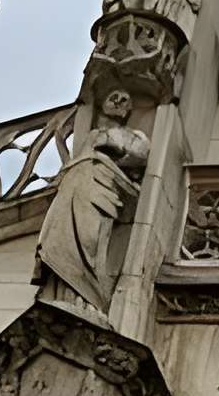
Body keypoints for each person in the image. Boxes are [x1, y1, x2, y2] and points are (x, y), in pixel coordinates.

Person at [33, 91, 149, 315]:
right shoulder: (95, 134)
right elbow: (80, 161)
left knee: (90, 240)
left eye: (124, 99)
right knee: (59, 239)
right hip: (77, 187)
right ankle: (63, 294)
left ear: (129, 110)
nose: (117, 102)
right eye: (112, 97)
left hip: (102, 191)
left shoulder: (135, 136)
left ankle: (89, 298)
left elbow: (140, 157)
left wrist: (115, 152)